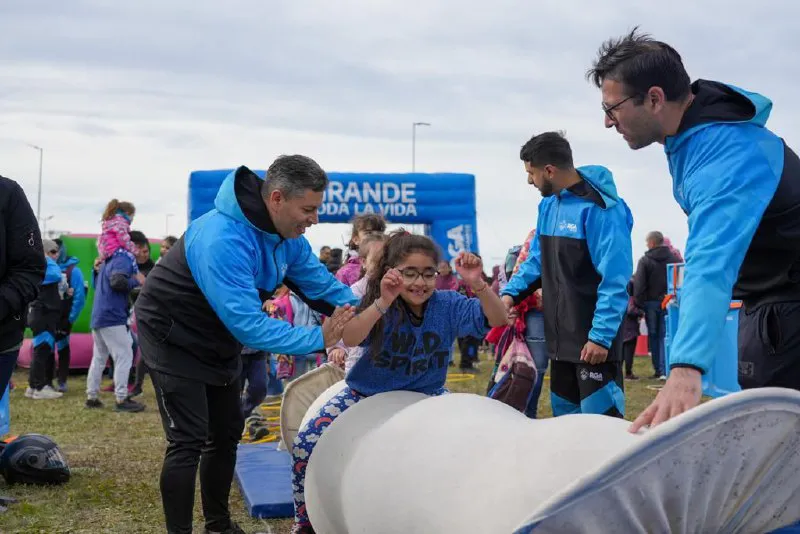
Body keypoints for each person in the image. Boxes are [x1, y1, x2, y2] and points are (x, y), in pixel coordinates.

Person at [587, 28, 800, 431]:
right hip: (768, 303)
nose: (606, 122)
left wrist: (686, 366)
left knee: (777, 447)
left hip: (788, 307)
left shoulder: (727, 153)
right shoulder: (693, 137)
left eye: (611, 108)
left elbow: (709, 261)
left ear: (653, 98)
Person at [134, 155, 358, 534]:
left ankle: (219, 525)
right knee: (188, 439)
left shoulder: (288, 238)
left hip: (217, 336)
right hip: (171, 334)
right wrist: (319, 338)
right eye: (308, 209)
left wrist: (373, 312)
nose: (314, 219)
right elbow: (249, 327)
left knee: (225, 432)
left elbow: (325, 290)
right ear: (276, 199)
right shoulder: (222, 238)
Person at [290, 231, 508, 533]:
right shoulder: (374, 300)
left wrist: (477, 283)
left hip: (427, 395)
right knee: (307, 442)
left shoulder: (448, 304)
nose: (420, 283)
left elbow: (498, 319)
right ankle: (304, 522)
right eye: (410, 273)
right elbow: (351, 337)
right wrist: (383, 300)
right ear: (391, 272)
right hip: (364, 395)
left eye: (428, 274)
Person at [500, 132, 633, 418]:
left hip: (593, 344)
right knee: (566, 429)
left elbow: (615, 278)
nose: (529, 181)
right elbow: (537, 259)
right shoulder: (548, 205)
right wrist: (510, 294)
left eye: (531, 173)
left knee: (601, 429)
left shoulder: (603, 209)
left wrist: (601, 337)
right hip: (559, 342)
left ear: (549, 170)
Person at [86, 241, 146, 412]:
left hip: (99, 315)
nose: (141, 254)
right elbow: (118, 282)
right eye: (140, 250)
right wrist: (136, 281)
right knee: (125, 355)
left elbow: (99, 284)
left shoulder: (108, 259)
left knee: (99, 357)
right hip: (112, 316)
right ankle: (121, 399)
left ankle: (92, 397)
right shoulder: (123, 258)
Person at [633, 230, 681, 379]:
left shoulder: (645, 261)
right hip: (670, 302)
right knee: (668, 335)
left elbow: (639, 285)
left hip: (651, 304)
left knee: (654, 337)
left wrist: (639, 304)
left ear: (652, 243)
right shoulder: (674, 260)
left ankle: (659, 370)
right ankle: (668, 367)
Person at [25, 240, 65, 400]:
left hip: (41, 314)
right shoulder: (43, 265)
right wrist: (45, 257)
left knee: (40, 351)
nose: (57, 255)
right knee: (41, 351)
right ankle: (39, 387)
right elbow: (55, 275)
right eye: (53, 252)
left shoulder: (40, 267)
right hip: (44, 314)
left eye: (57, 251)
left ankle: (32, 386)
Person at [50, 238, 87, 392]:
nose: (53, 255)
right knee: (47, 348)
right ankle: (46, 381)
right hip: (47, 316)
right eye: (50, 251)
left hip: (65, 317)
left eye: (55, 251)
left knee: (63, 348)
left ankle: (62, 381)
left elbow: (79, 297)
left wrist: (70, 319)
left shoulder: (73, 271)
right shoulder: (46, 268)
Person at [335, 214, 387, 286]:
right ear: (356, 239)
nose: (375, 237)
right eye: (368, 233)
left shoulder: (390, 265)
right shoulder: (345, 273)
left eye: (379, 233)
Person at [97, 199, 138, 266]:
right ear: (127, 213)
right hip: (114, 250)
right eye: (133, 216)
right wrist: (134, 249)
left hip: (105, 251)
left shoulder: (111, 221)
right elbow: (123, 239)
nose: (133, 219)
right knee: (131, 258)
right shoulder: (121, 223)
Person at [622, 279, 642, 380]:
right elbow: (631, 310)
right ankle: (628, 373)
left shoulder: (619, 298)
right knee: (629, 353)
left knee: (621, 353)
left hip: (622, 330)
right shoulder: (631, 299)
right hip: (630, 330)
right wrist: (641, 312)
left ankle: (618, 373)